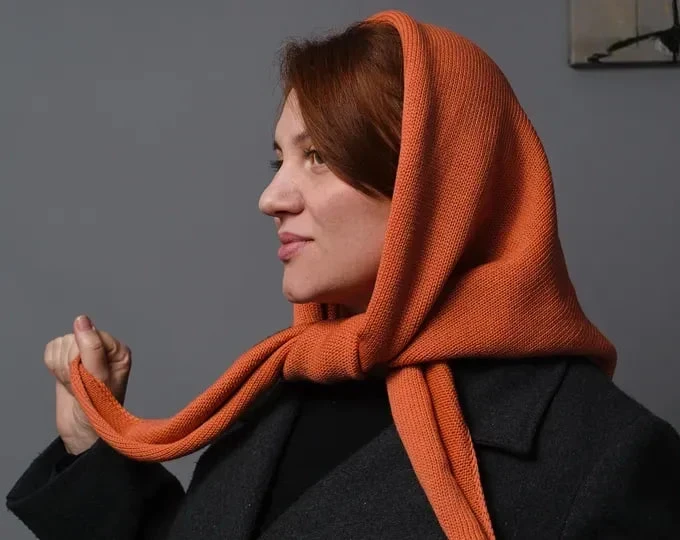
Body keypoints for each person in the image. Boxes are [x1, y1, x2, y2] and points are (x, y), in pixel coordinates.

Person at [6, 9, 680, 540]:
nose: (272, 198)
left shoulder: (603, 452)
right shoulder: (281, 391)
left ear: (441, 180)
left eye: (320, 156)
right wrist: (91, 442)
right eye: (279, 161)